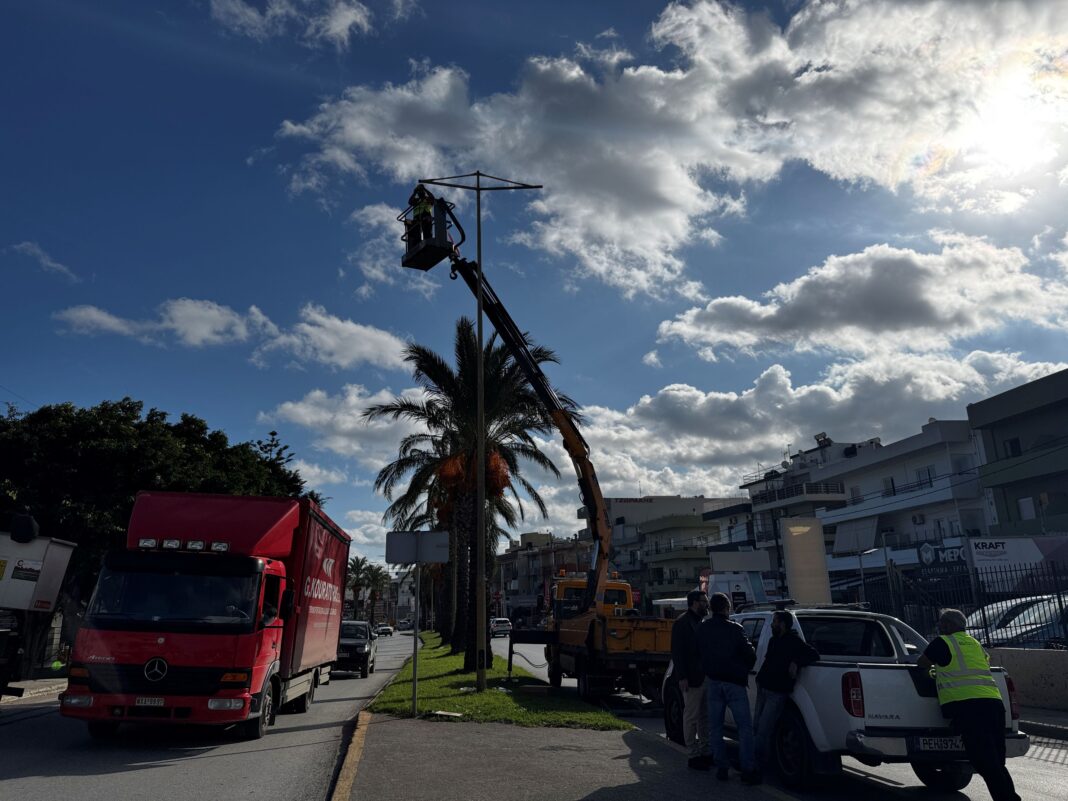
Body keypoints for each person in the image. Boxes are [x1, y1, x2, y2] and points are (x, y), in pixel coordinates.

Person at [918, 608, 1020, 801]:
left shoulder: (943, 642)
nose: (939, 627)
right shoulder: (976, 643)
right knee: (996, 761)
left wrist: (935, 672)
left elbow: (921, 663)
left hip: (969, 707)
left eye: (941, 623)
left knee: (984, 761)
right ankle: (1009, 798)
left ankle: (1008, 799)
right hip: (994, 704)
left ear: (948, 625)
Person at [697, 592, 759, 784]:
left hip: (714, 682)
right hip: (734, 683)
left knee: (715, 727)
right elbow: (750, 655)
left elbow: (698, 652)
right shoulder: (735, 629)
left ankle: (722, 767)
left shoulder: (703, 628)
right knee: (745, 728)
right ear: (726, 607)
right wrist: (742, 668)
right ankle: (748, 769)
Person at [754, 610, 819, 771]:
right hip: (764, 687)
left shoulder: (794, 641)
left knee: (764, 728)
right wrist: (759, 679)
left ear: (782, 624)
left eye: (775, 621)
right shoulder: (773, 640)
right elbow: (768, 660)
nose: (772, 624)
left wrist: (796, 662)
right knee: (757, 726)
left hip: (777, 691)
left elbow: (813, 655)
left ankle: (758, 765)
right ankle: (758, 761)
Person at [671, 590, 711, 770]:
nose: (707, 604)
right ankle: (693, 754)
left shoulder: (701, 622)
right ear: (695, 602)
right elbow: (677, 652)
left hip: (704, 677)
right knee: (691, 717)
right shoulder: (682, 623)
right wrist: (682, 677)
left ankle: (705, 751)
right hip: (691, 679)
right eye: (704, 601)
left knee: (704, 717)